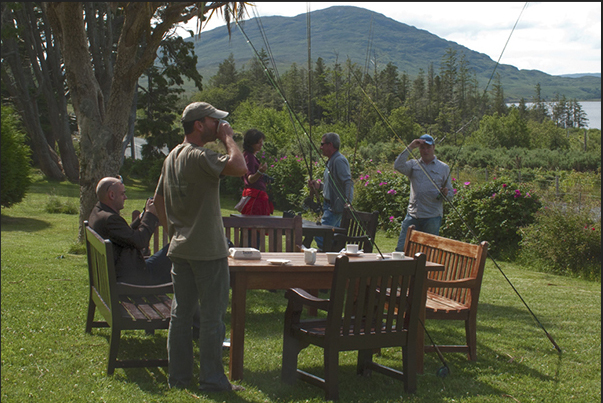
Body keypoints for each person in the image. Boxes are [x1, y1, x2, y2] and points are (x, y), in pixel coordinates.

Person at [153, 102, 247, 392]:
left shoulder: (171, 157)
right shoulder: (198, 156)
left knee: (181, 315)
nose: (218, 125)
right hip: (207, 251)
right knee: (211, 316)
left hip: (180, 249)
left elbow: (157, 203)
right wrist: (228, 137)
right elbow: (240, 167)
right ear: (199, 124)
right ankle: (212, 379)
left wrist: (175, 232)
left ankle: (178, 379)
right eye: (214, 121)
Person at [88, 176, 172, 285]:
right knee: (177, 247)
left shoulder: (98, 212)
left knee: (173, 249)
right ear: (111, 195)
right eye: (122, 194)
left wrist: (143, 215)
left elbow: (126, 235)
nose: (125, 197)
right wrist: (150, 215)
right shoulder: (110, 219)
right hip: (133, 280)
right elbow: (140, 241)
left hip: (123, 272)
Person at [393, 134, 453, 251]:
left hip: (432, 217)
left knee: (427, 253)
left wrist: (446, 193)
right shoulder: (413, 164)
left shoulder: (443, 168)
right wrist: (410, 147)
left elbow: (450, 194)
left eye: (428, 147)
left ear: (434, 148)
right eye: (422, 148)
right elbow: (398, 165)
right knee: (401, 250)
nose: (425, 150)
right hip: (412, 215)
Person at [307, 132, 354, 250]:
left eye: (322, 144)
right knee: (333, 236)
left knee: (320, 234)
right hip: (329, 205)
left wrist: (348, 202)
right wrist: (319, 186)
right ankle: (336, 256)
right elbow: (333, 186)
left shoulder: (338, 160)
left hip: (334, 206)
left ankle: (329, 256)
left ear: (330, 145)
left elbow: (348, 181)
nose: (320, 147)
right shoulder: (332, 160)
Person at [240, 129, 274, 216]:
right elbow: (250, 179)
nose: (261, 144)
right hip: (255, 198)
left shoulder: (250, 156)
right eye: (258, 142)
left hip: (257, 196)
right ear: (251, 143)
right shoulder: (249, 157)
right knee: (255, 225)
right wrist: (260, 172)